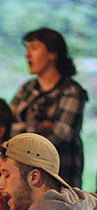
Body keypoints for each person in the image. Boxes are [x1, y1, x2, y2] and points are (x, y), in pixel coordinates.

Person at [10, 27, 88, 188]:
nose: (27, 54)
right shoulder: (27, 89)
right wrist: (38, 127)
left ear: (52, 54)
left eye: (34, 48)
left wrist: (23, 135)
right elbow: (8, 128)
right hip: (26, 181)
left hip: (60, 181)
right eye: (27, 49)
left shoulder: (71, 91)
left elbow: (58, 138)